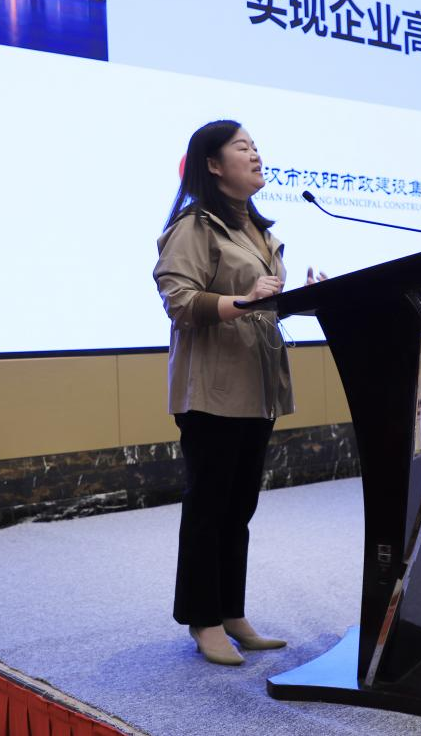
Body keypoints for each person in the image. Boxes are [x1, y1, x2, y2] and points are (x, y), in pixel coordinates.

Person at [153, 119, 325, 666]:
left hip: (257, 388)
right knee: (209, 508)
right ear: (212, 164)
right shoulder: (194, 225)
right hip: (212, 389)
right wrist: (244, 301)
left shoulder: (257, 229)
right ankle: (203, 621)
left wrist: (309, 297)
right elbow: (180, 301)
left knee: (239, 508)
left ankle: (232, 612)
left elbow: (262, 304)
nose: (256, 155)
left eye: (256, 147)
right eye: (243, 147)